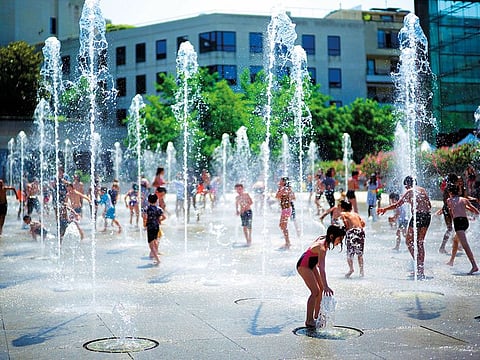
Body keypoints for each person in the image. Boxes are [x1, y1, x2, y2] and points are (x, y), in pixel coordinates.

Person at [377, 176, 432, 279]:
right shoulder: (423, 190)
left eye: (406, 186)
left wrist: (385, 209)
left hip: (417, 216)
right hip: (427, 216)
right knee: (420, 242)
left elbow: (397, 205)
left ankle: (417, 265)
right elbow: (429, 205)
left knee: (408, 241)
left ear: (407, 185)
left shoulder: (409, 191)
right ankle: (421, 269)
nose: (406, 188)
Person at [296, 225, 346, 328]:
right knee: (315, 292)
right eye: (339, 239)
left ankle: (316, 316)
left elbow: (317, 261)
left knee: (321, 290)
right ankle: (309, 320)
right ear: (332, 236)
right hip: (304, 265)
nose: (340, 242)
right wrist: (327, 285)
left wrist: (324, 285)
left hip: (311, 264)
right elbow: (322, 269)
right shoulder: (322, 247)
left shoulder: (323, 238)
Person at [445, 183, 479, 274]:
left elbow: (452, 212)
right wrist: (474, 216)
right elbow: (473, 209)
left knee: (465, 245)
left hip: (458, 223)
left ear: (450, 192)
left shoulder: (449, 200)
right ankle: (451, 261)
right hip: (465, 222)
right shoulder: (464, 199)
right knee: (455, 240)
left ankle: (474, 266)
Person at [339, 200, 366, 278]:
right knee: (360, 253)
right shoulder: (356, 214)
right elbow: (363, 224)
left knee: (350, 252)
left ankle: (351, 269)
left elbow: (345, 223)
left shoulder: (343, 214)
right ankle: (361, 271)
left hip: (351, 232)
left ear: (343, 208)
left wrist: (345, 230)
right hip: (360, 231)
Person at [437, 173, 458, 254]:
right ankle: (443, 247)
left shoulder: (447, 186)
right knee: (451, 228)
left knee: (451, 228)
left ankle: (452, 245)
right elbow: (451, 199)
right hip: (449, 209)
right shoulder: (451, 187)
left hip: (446, 208)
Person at [143, 193, 165, 265]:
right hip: (156, 227)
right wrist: (158, 221)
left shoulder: (146, 209)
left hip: (150, 227)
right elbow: (164, 217)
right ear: (156, 200)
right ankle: (154, 255)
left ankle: (158, 260)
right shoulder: (159, 209)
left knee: (151, 245)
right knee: (155, 241)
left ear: (148, 201)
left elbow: (145, 217)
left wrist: (145, 225)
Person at [276, 177, 295, 249]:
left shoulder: (285, 189)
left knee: (283, 226)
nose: (279, 182)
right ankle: (287, 242)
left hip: (286, 209)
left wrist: (281, 190)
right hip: (286, 209)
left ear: (284, 182)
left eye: (280, 181)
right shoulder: (286, 189)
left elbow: (277, 196)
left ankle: (288, 242)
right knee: (282, 225)